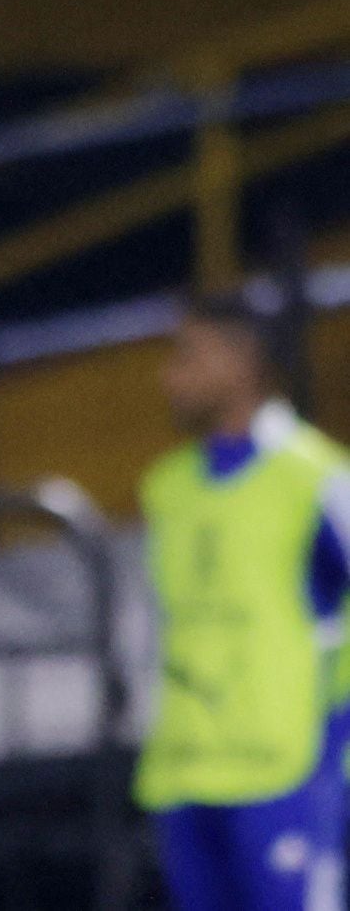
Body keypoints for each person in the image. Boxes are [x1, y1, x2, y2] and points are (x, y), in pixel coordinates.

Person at [135, 296, 350, 910]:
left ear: (241, 362)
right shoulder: (166, 487)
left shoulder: (317, 479)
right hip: (183, 777)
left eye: (185, 356)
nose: (166, 375)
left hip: (286, 777)